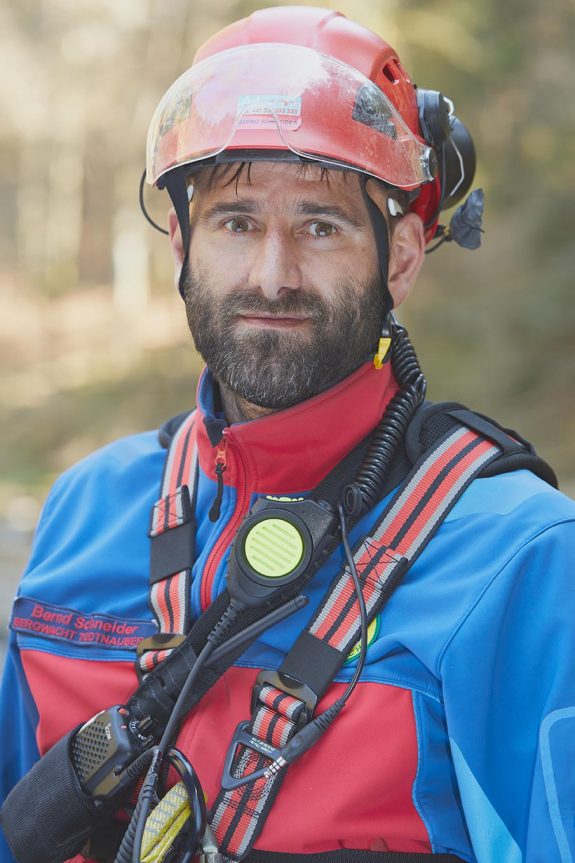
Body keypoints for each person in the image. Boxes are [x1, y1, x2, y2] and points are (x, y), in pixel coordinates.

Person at [1, 7, 574, 863]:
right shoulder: (88, 507)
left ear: (402, 258)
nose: (273, 274)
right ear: (181, 250)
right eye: (236, 222)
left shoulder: (521, 557)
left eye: (321, 224)